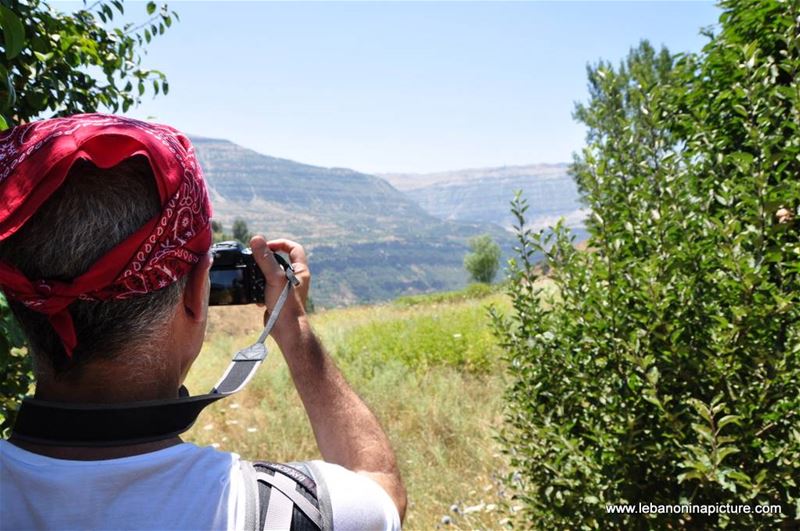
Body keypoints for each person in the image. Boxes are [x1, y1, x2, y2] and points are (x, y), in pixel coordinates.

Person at [0, 114, 406, 530]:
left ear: (20, 300)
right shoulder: (285, 514)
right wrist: (294, 328)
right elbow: (379, 486)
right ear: (196, 295)